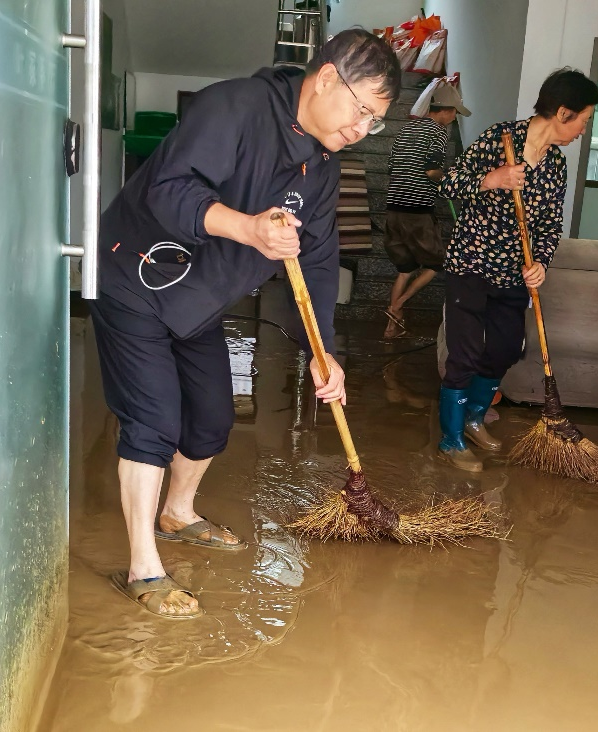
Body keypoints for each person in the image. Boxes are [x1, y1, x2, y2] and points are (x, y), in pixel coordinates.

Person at [91, 30, 401, 618]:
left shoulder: (322, 166)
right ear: (327, 78)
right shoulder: (234, 107)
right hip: (135, 277)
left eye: (375, 121)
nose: (363, 129)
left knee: (211, 420)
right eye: (361, 110)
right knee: (154, 419)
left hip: (200, 300)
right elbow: (169, 190)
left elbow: (319, 260)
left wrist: (323, 352)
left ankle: (177, 513)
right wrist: (249, 228)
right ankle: (143, 568)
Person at [436, 68, 598, 472]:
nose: (584, 129)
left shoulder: (556, 164)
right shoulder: (500, 138)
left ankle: (474, 418)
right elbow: (448, 184)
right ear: (562, 112)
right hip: (471, 264)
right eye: (583, 119)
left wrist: (541, 262)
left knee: (508, 347)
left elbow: (550, 225)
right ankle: (451, 439)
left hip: (513, 273)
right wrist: (490, 179)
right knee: (465, 354)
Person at [382, 82, 471, 338]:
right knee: (437, 264)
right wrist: (449, 180)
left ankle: (391, 327)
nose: (454, 118)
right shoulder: (438, 132)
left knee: (405, 269)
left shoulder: (406, 128)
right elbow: (432, 171)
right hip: (417, 210)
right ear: (445, 110)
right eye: (454, 113)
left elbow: (391, 167)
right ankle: (397, 306)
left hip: (394, 209)